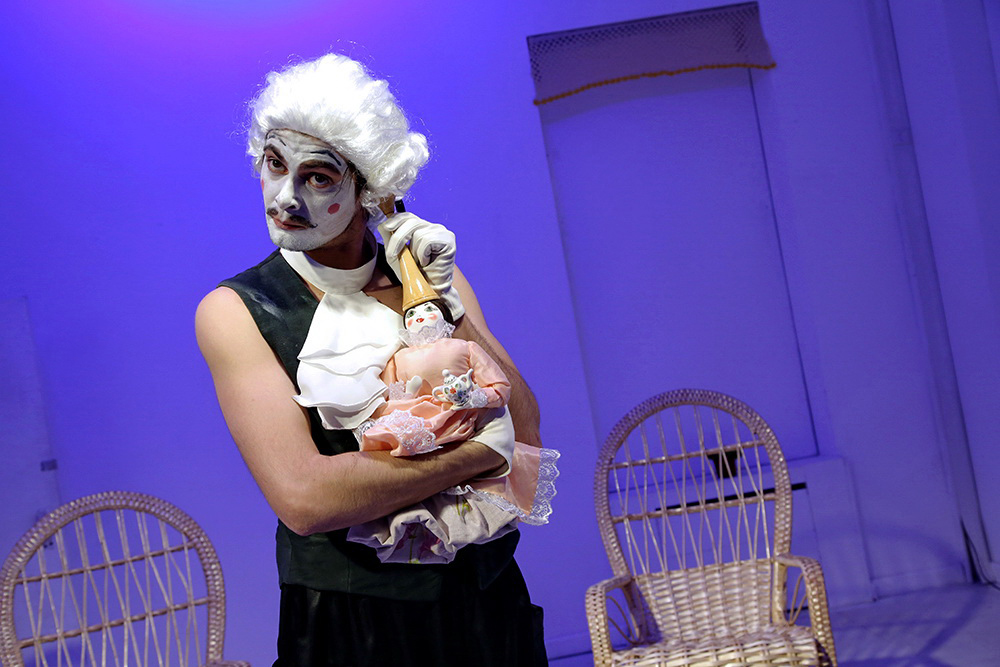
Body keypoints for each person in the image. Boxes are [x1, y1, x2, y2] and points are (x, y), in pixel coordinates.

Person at [195, 53, 547, 665]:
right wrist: (481, 452)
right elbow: (306, 499)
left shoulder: (432, 276)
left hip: (488, 605)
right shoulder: (235, 310)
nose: (285, 197)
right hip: (354, 624)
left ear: (370, 189)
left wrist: (448, 304)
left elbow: (528, 427)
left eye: (318, 177)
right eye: (274, 164)